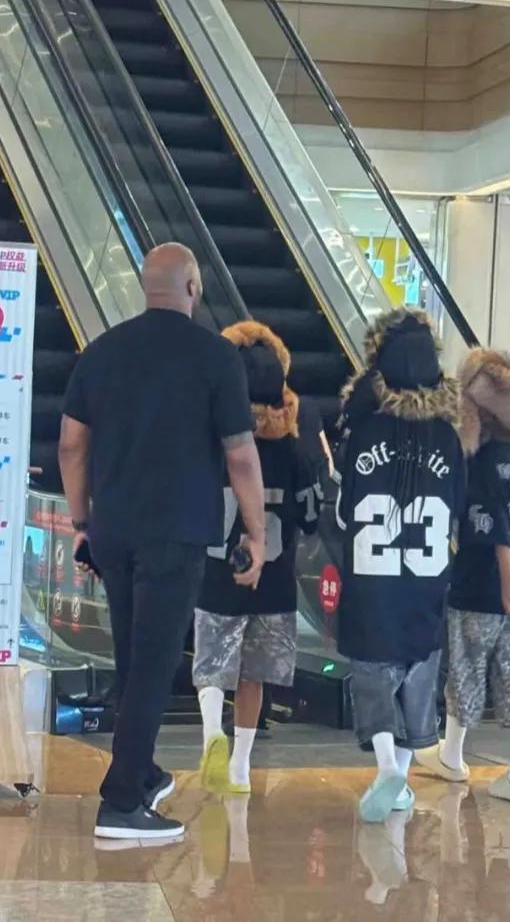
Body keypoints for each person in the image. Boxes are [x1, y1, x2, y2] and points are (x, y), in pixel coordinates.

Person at [58, 243, 267, 841]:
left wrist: (81, 521)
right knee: (153, 661)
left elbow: (71, 445)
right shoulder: (216, 356)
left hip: (113, 529)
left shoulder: (102, 352)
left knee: (134, 654)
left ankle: (143, 771)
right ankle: (122, 803)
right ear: (193, 287)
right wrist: (255, 531)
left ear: (145, 287)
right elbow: (240, 454)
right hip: (175, 531)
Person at [335, 308, 465, 823]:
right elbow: (456, 507)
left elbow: (344, 509)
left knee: (372, 672)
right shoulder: (447, 438)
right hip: (426, 580)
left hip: (372, 580)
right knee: (419, 677)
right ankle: (401, 781)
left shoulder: (365, 432)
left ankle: (387, 766)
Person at [194, 320, 319, 792]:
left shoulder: (214, 444)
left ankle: (211, 732)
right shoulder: (294, 450)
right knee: (255, 675)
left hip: (217, 571)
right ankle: (241, 766)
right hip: (276, 578)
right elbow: (311, 515)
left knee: (212, 666)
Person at [416, 348, 510, 803]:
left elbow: (494, 523)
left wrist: (505, 578)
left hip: (480, 587)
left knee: (467, 669)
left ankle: (452, 755)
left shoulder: (482, 460)